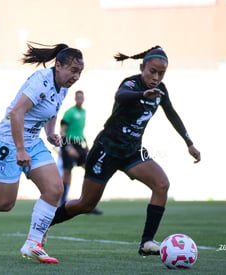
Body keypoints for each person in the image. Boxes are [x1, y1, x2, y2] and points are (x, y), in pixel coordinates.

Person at [47, 46, 201, 257]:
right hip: (106, 149)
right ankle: (45, 224)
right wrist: (142, 94)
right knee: (85, 204)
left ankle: (146, 242)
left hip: (132, 151)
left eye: (161, 73)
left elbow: (172, 114)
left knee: (162, 184)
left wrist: (189, 142)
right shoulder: (131, 84)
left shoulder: (161, 91)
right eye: (152, 71)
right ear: (142, 67)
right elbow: (121, 96)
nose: (156, 77)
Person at [0, 42, 84, 264]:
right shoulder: (40, 81)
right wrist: (20, 149)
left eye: (80, 71)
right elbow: (16, 113)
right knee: (4, 203)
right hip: (7, 142)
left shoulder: (64, 86)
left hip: (32, 141)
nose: (77, 76)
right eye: (73, 70)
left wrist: (50, 133)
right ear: (58, 65)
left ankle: (33, 244)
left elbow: (51, 110)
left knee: (54, 189)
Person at [58, 90, 103, 214]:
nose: (80, 99)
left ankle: (87, 203)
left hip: (79, 144)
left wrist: (87, 147)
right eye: (78, 97)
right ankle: (62, 204)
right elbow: (62, 131)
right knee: (67, 173)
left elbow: (80, 132)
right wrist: (68, 147)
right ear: (75, 98)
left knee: (90, 169)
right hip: (69, 144)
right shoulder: (69, 112)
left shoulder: (84, 112)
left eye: (81, 98)